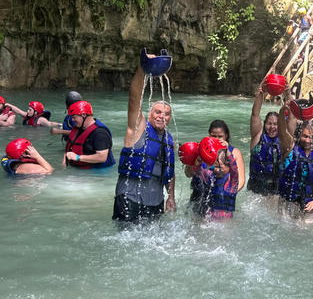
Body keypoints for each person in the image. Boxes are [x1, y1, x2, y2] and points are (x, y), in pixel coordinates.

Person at [113, 59, 176, 222]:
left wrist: (171, 197)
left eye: (166, 113)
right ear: (149, 114)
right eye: (158, 112)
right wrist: (142, 68)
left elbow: (169, 171)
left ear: (170, 118)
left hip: (156, 201)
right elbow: (134, 100)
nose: (162, 116)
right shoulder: (138, 128)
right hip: (130, 198)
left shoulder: (169, 141)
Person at [276, 101, 313, 223]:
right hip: (287, 203)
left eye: (311, 137)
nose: (307, 140)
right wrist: (282, 112)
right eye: (304, 136)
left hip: (311, 206)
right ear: (299, 135)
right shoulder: (290, 147)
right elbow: (281, 132)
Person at [187, 146, 240, 220]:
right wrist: (199, 157)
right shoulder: (210, 177)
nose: (216, 170)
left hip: (225, 223)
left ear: (228, 166)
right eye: (215, 167)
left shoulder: (232, 182)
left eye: (220, 167)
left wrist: (228, 150)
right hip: (209, 220)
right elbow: (197, 170)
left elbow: (234, 168)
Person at [248, 86, 283, 197]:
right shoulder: (257, 137)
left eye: (276, 124)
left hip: (276, 189)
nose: (272, 127)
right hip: (255, 189)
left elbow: (291, 118)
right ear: (264, 124)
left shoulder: (284, 140)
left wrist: (288, 93)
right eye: (269, 123)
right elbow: (255, 114)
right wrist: (261, 93)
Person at [64, 100, 115, 169]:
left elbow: (102, 157)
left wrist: (78, 157)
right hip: (81, 169)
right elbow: (70, 146)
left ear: (84, 115)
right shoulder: (78, 128)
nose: (72, 120)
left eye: (74, 117)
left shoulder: (100, 133)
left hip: (99, 171)